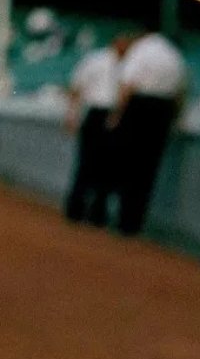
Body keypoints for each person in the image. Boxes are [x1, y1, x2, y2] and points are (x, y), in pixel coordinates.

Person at [107, 27, 188, 235]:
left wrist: (117, 114)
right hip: (163, 111)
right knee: (147, 169)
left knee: (128, 163)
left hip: (139, 108)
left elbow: (128, 85)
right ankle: (135, 221)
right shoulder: (174, 54)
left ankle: (123, 218)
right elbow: (181, 91)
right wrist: (177, 119)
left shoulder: (141, 50)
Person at [63, 34, 130, 226]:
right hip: (96, 113)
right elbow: (77, 87)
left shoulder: (129, 63)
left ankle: (97, 213)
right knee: (86, 162)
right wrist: (72, 114)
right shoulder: (95, 60)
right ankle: (76, 209)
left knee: (109, 166)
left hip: (116, 115)